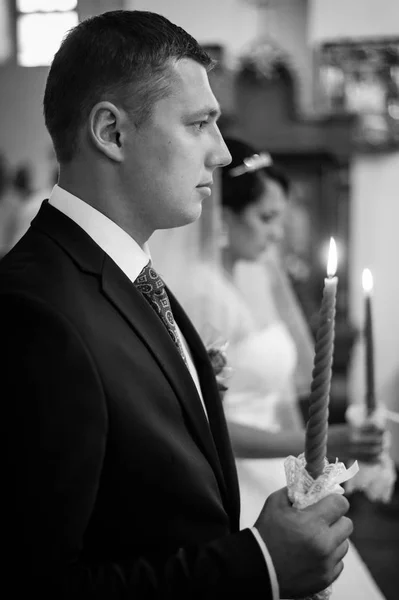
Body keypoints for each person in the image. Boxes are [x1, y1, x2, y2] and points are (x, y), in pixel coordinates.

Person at [1, 11, 353, 599]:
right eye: (199, 124)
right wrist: (261, 564)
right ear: (112, 132)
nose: (220, 152)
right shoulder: (34, 314)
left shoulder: (129, 271)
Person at [156, 136, 384, 599]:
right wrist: (321, 441)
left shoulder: (245, 278)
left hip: (275, 467)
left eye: (280, 216)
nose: (278, 233)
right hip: (234, 476)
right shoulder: (200, 292)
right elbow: (204, 421)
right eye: (266, 218)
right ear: (224, 217)